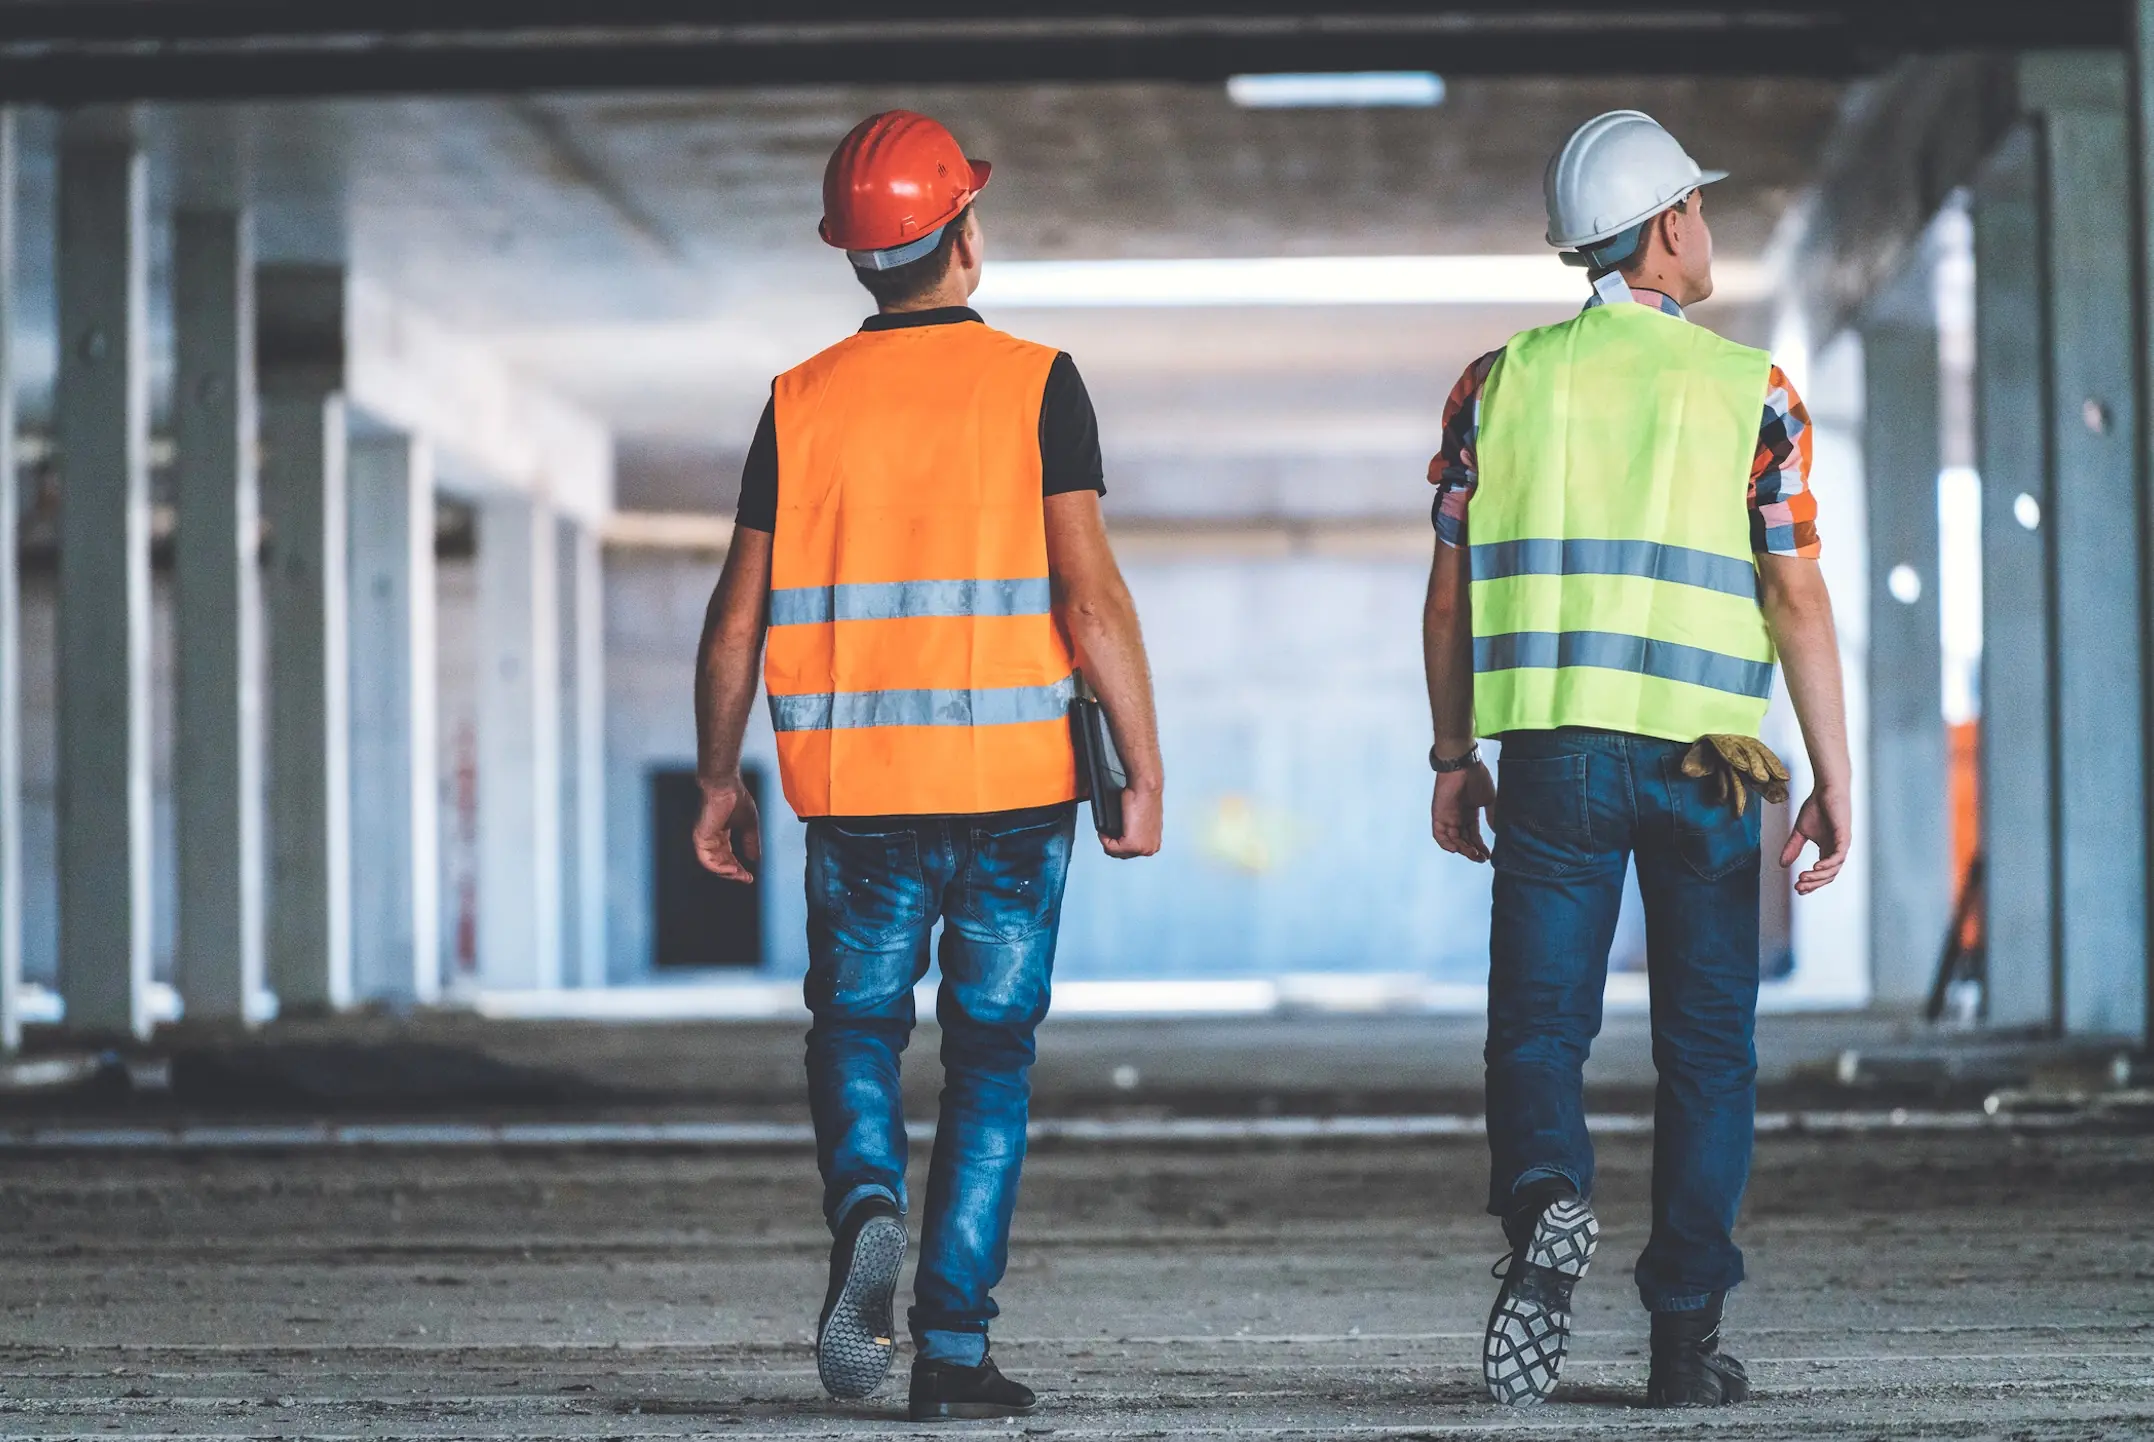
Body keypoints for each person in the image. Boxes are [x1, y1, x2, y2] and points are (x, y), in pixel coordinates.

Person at [689, 110, 1165, 1423]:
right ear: (965, 231)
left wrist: (716, 777)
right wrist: (1141, 763)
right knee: (989, 1061)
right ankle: (950, 1347)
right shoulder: (1036, 380)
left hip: (856, 796)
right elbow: (1092, 596)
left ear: (856, 256)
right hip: (1017, 793)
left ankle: (865, 1210)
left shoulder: (798, 403)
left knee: (851, 1030)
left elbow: (735, 615)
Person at [1420, 110, 1852, 1409]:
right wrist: (1831, 774)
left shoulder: (1495, 383)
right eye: (1701, 212)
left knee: (1538, 1031)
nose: (1705, 231)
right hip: (1712, 760)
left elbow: (1447, 597)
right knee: (1705, 1049)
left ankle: (1547, 1197)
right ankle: (1680, 1341)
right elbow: (1796, 598)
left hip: (1551, 750)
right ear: (1668, 227)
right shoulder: (1749, 392)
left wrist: (1452, 752)